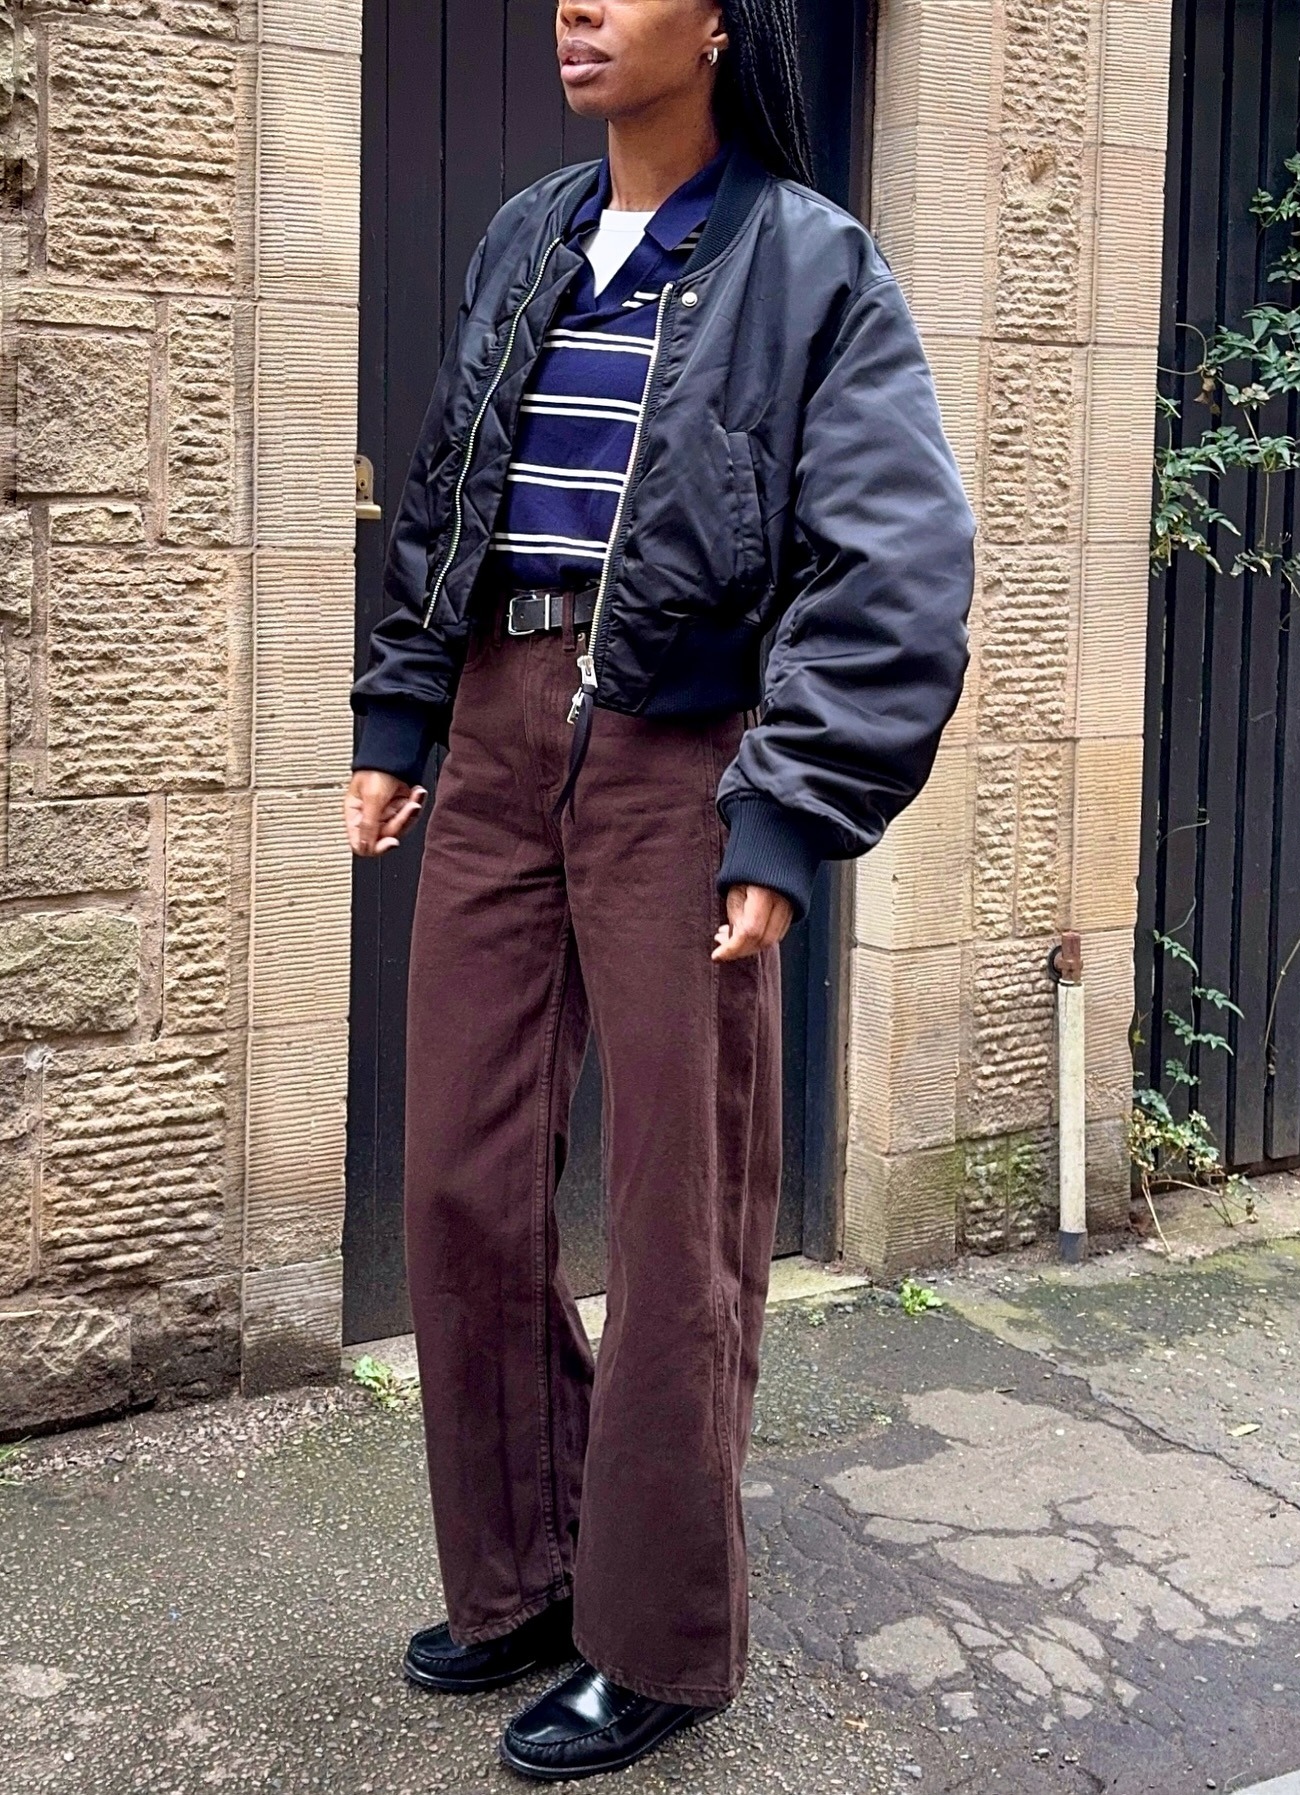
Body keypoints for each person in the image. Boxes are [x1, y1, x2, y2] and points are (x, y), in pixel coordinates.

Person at [344, 0, 974, 1780]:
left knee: (680, 1210)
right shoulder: (530, 233)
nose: (579, 5)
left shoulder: (807, 262)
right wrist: (403, 712)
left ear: (721, 22)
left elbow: (898, 552)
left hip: (679, 759)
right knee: (463, 1175)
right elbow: (457, 483)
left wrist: (788, 817)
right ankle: (525, 1575)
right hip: (491, 725)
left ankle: (661, 1636)